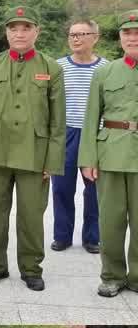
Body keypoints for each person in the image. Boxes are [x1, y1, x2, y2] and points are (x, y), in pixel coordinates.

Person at [0, 6, 66, 292]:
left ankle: (31, 268)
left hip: (35, 153)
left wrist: (52, 160)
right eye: (13, 28)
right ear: (6, 33)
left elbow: (58, 121)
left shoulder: (51, 68)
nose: (19, 33)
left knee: (31, 215)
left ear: (37, 31)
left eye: (25, 28)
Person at [79, 10, 138, 298]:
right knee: (111, 221)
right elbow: (91, 117)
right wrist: (88, 158)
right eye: (127, 33)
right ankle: (112, 275)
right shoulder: (105, 71)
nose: (132, 37)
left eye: (137, 32)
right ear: (120, 38)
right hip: (111, 152)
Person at [53, 19, 108, 254]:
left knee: (95, 189)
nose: (75, 38)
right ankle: (62, 236)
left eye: (82, 34)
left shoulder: (106, 68)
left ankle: (92, 238)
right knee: (61, 189)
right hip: (65, 134)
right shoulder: (57, 67)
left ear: (95, 37)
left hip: (95, 134)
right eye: (72, 34)